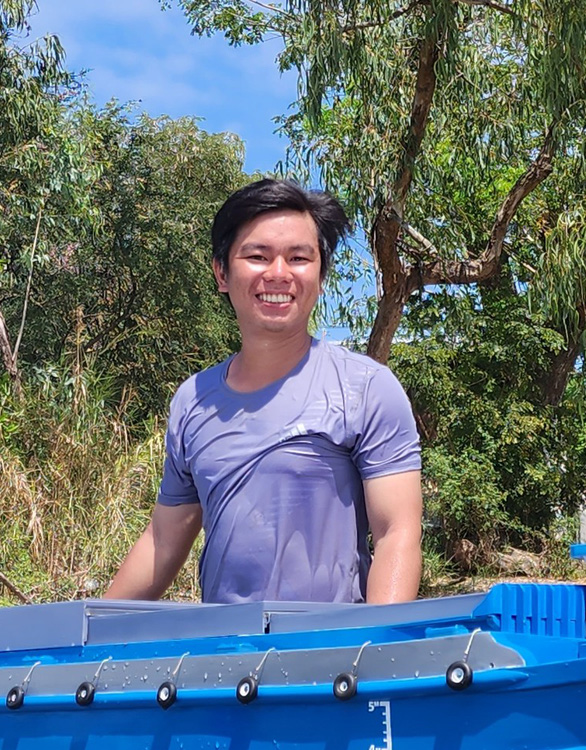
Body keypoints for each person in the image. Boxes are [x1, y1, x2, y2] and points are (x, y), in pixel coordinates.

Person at [103, 179, 423, 605]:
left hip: (334, 657)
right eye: (257, 256)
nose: (278, 273)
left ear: (321, 275)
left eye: (299, 257)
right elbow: (163, 540)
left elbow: (396, 534)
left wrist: (379, 655)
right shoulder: (193, 401)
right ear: (221, 272)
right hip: (223, 660)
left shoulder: (366, 388)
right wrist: (88, 636)